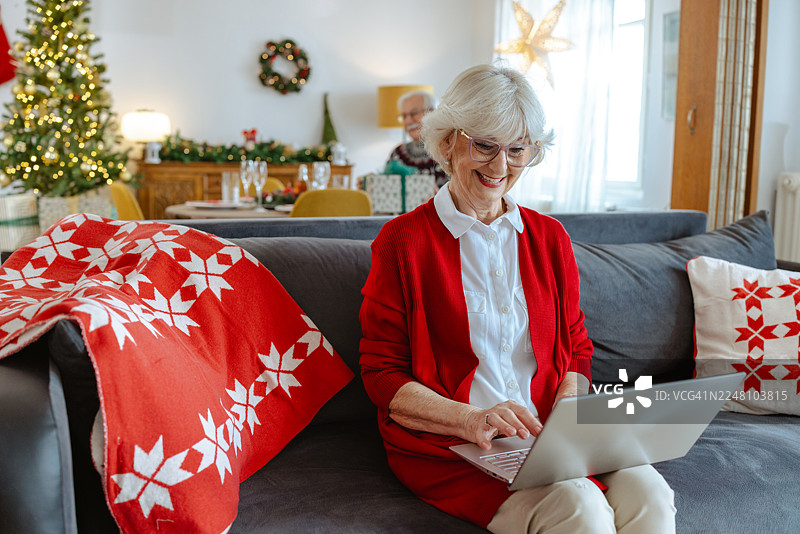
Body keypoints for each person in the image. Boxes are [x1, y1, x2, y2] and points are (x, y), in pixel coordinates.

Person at [359, 64, 676, 533]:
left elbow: (576, 347)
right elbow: (381, 374)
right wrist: (470, 419)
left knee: (652, 493)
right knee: (578, 507)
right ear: (448, 142)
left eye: (517, 149)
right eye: (484, 145)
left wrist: (568, 414)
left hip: (551, 435)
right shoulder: (402, 242)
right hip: (455, 442)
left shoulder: (550, 238)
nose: (500, 166)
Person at [386, 89, 449, 188]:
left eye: (414, 113)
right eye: (404, 116)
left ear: (432, 112)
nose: (408, 121)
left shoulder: (448, 150)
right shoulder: (397, 153)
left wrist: (439, 199)